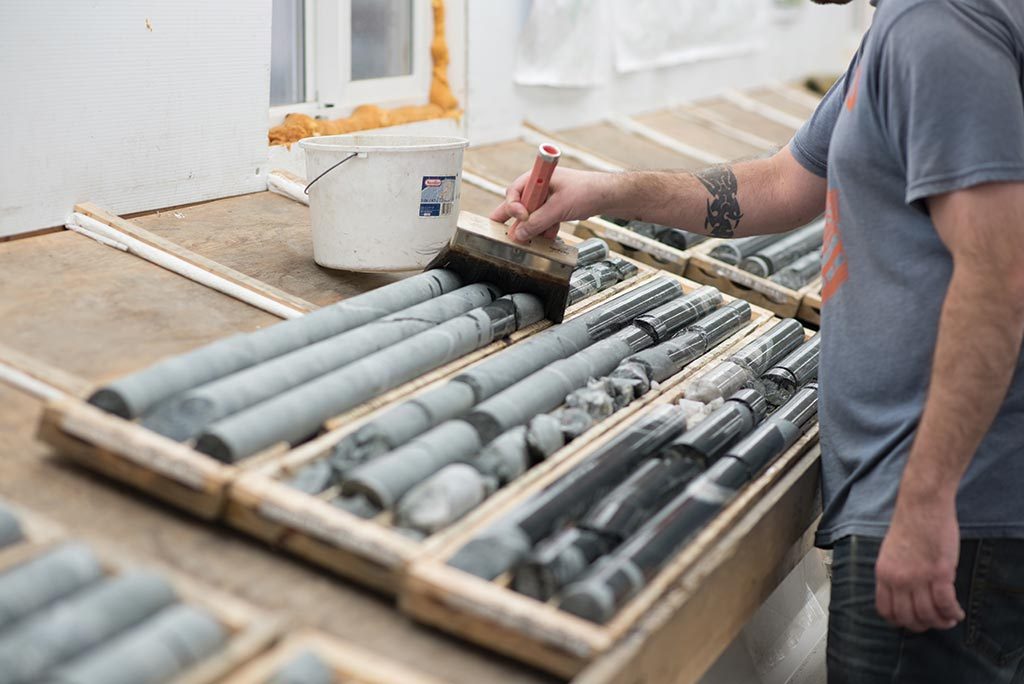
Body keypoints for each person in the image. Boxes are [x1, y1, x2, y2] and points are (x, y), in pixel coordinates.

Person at [491, 1, 1024, 681]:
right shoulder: (902, 28)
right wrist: (604, 190)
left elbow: (999, 277)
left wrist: (923, 509)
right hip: (921, 497)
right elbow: (777, 185)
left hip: (944, 513)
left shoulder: (937, 22)